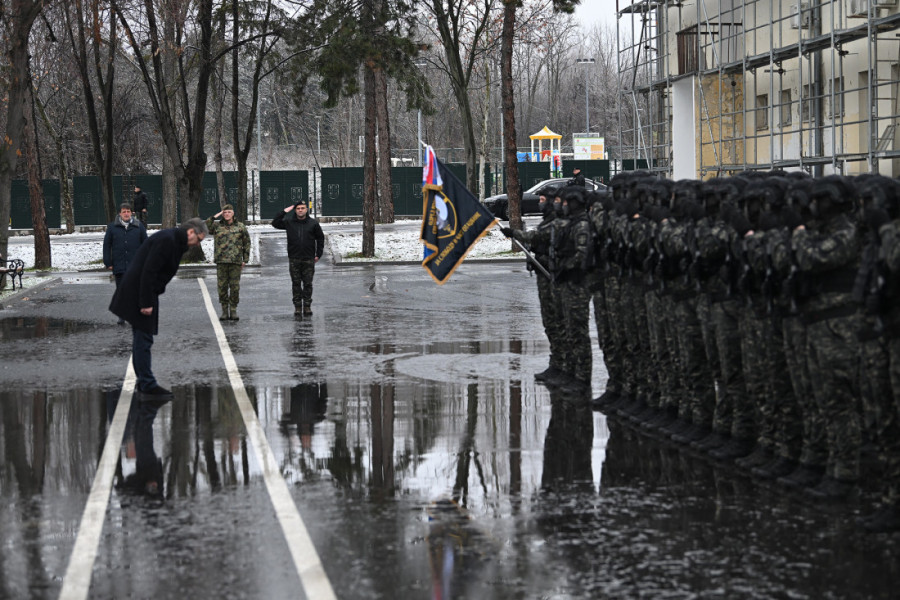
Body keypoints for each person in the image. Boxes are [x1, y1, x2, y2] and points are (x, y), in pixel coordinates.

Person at [109, 218, 208, 398]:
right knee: (143, 339)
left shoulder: (174, 241)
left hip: (143, 292)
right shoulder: (168, 241)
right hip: (140, 294)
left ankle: (145, 382)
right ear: (191, 232)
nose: (197, 244)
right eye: (199, 239)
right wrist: (146, 302)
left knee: (142, 338)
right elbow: (149, 271)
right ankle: (147, 384)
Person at [272, 201, 324, 316]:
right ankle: (297, 306)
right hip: (294, 258)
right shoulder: (289, 222)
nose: (300, 210)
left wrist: (318, 254)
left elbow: (320, 238)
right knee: (296, 283)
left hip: (308, 258)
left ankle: (307, 306)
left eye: (303, 208)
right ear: (295, 210)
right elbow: (275, 223)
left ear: (306, 210)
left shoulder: (313, 223)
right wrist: (285, 211)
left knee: (307, 283)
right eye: (298, 208)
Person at [103, 202, 148, 324]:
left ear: (131, 213)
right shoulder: (112, 227)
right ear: (120, 214)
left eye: (128, 211)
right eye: (124, 212)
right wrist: (108, 262)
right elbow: (107, 245)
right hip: (119, 265)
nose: (126, 214)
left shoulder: (139, 226)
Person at [206, 204, 250, 321]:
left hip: (235, 261)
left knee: (235, 287)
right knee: (222, 287)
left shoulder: (240, 227)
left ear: (233, 213)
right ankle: (224, 310)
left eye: (229, 212)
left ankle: (233, 310)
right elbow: (207, 224)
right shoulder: (217, 226)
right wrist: (217, 215)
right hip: (221, 261)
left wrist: (245, 259)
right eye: (225, 212)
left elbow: (246, 243)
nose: (227, 214)